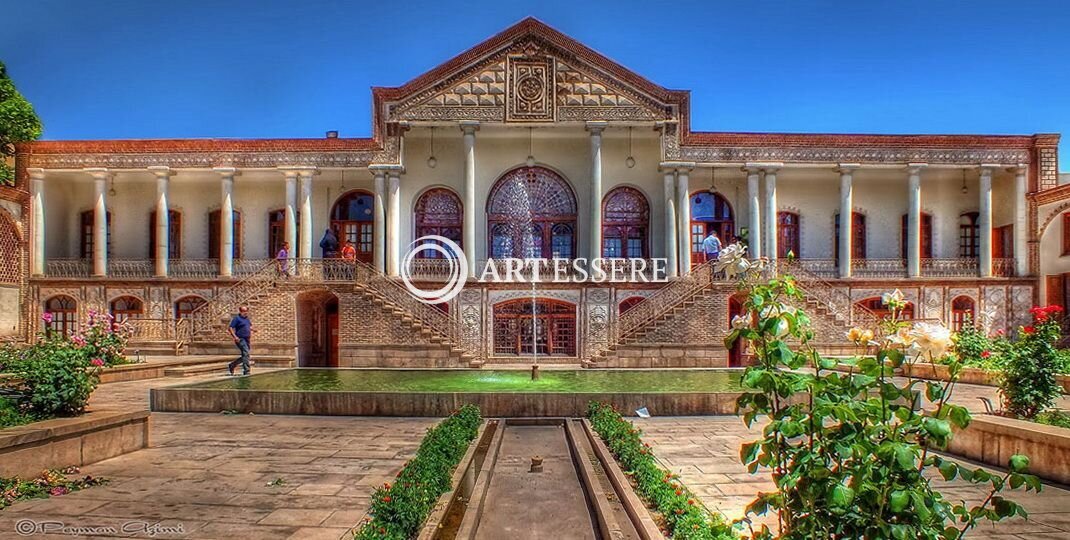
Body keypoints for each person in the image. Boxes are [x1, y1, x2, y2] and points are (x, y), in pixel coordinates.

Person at [227, 306, 253, 376]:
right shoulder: (237, 319)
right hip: (240, 339)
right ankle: (246, 371)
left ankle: (232, 365)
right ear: (240, 311)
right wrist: (235, 337)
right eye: (244, 311)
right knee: (246, 354)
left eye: (246, 311)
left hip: (247, 339)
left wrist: (252, 329)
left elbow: (249, 326)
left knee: (246, 355)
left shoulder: (247, 319)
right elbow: (230, 328)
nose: (245, 312)